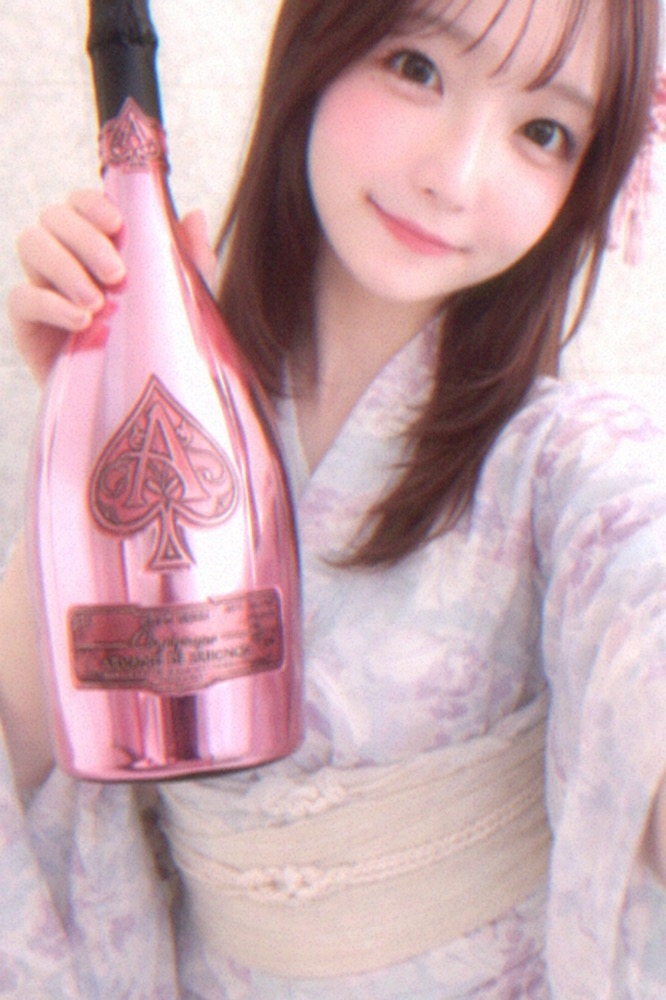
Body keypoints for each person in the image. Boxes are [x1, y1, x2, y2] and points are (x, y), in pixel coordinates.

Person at [2, 0, 665, 996]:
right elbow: (22, 742)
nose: (455, 176)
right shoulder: (190, 413)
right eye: (416, 68)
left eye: (543, 131)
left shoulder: (566, 463)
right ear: (320, 41)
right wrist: (85, 450)